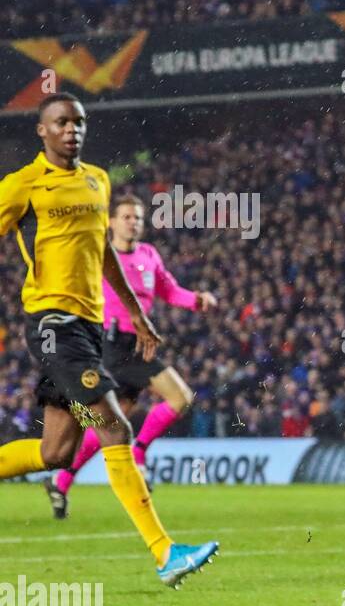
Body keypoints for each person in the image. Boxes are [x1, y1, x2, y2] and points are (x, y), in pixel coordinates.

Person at [0, 93, 218, 584]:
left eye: (78, 122)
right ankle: (166, 553)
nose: (71, 130)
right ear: (42, 131)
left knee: (56, 450)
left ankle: (151, 541)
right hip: (53, 327)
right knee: (114, 426)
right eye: (60, 122)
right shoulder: (23, 185)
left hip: (91, 330)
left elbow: (102, 252)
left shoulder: (98, 180)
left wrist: (139, 314)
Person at [44, 193, 218, 518]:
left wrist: (196, 300)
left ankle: (61, 481)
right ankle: (138, 452)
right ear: (111, 222)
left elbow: (169, 291)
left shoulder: (149, 255)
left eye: (138, 217)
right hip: (111, 345)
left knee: (110, 425)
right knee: (179, 397)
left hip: (139, 344)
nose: (133, 222)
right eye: (126, 216)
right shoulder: (98, 257)